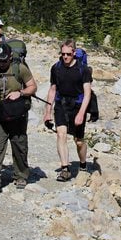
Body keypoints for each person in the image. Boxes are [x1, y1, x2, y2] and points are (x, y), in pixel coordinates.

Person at [0, 41, 37, 194]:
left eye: (5, 60)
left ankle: (21, 174)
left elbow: (32, 87)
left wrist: (21, 93)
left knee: (19, 144)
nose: (2, 63)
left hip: (17, 112)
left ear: (11, 57)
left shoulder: (20, 69)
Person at [43, 39, 92, 182]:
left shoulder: (83, 70)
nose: (65, 57)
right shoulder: (56, 68)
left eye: (68, 54)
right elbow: (52, 90)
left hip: (77, 105)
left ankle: (83, 164)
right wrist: (48, 111)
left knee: (79, 141)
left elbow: (87, 93)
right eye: (63, 54)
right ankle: (65, 169)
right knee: (61, 134)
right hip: (61, 104)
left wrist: (82, 113)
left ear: (74, 53)